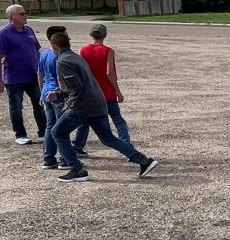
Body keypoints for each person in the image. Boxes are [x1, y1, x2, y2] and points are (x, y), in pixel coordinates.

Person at [46, 32, 159, 182]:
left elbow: (75, 87)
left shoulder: (63, 61)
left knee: (58, 132)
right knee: (108, 138)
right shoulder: (76, 57)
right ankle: (145, 161)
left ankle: (76, 169)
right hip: (98, 102)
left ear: (54, 46)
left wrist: (61, 97)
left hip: (83, 106)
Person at [71, 24, 129, 155]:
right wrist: (118, 91)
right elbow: (110, 73)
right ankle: (126, 145)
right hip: (106, 92)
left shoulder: (82, 50)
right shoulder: (108, 51)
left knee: (85, 120)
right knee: (118, 120)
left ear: (91, 34)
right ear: (105, 35)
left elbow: (81, 71)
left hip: (90, 92)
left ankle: (77, 145)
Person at [0, 4, 46, 145]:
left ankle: (43, 133)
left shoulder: (29, 30)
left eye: (24, 13)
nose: (25, 16)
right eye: (21, 14)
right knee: (16, 107)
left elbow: (37, 51)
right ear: (12, 17)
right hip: (13, 78)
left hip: (32, 76)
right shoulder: (3, 33)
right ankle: (20, 135)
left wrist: (41, 71)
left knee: (40, 104)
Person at [37, 25, 69, 169]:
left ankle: (48, 158)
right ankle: (64, 159)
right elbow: (61, 77)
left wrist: (41, 92)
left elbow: (40, 74)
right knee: (62, 127)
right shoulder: (58, 56)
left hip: (46, 93)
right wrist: (66, 95)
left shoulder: (44, 54)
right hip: (57, 94)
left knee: (50, 126)